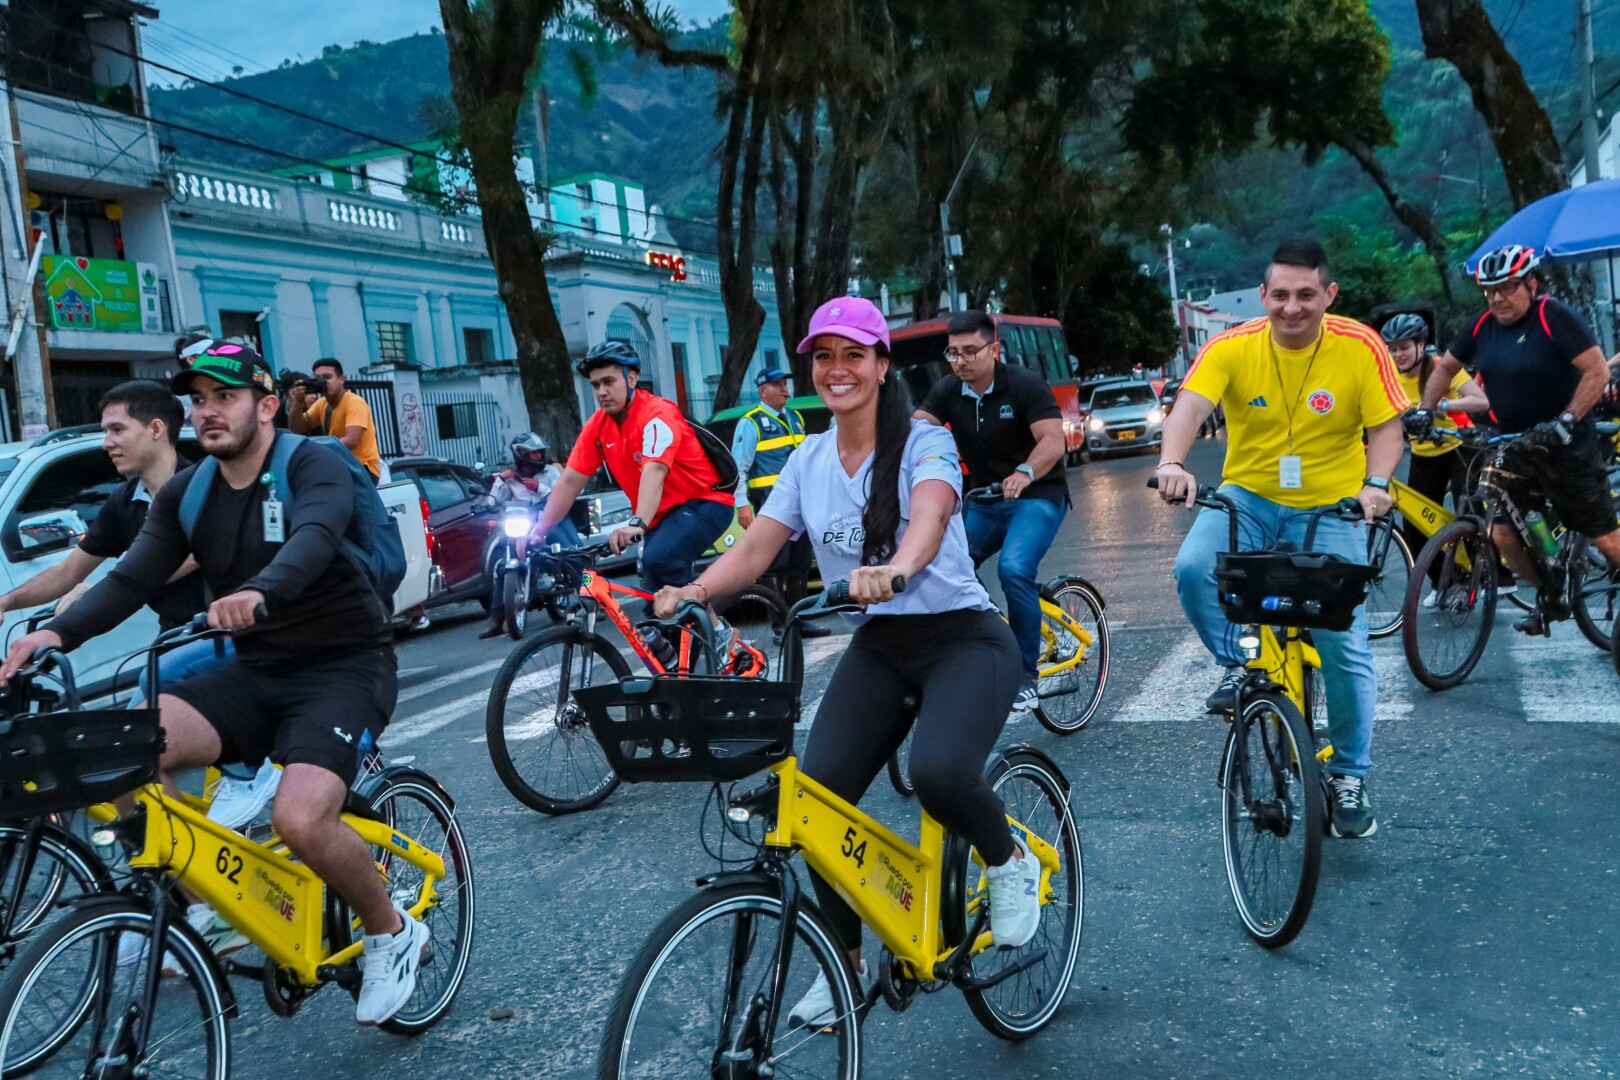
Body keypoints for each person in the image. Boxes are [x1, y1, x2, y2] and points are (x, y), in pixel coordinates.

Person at [0, 343, 425, 1026]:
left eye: (223, 397)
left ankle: (392, 933)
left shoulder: (311, 462)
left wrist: (261, 589)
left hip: (345, 667)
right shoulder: (186, 493)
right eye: (197, 399)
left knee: (299, 816)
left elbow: (314, 537)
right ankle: (209, 913)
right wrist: (53, 634)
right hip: (254, 670)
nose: (207, 411)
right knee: (119, 758)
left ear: (263, 405)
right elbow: (130, 578)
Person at [655, 295, 1043, 1028]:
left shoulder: (922, 442)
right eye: (823, 357)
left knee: (938, 773)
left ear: (881, 364)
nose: (836, 370)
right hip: (881, 648)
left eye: (853, 355)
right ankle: (846, 962)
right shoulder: (807, 458)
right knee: (812, 804)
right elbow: (759, 547)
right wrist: (694, 590)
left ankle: (1008, 858)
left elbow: (929, 516)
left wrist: (895, 567)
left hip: (962, 637)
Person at [1154, 240, 1407, 840]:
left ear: (1328, 296)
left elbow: (1387, 429)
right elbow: (1189, 408)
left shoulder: (1358, 345)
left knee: (1343, 643)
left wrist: (1375, 485)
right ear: (1263, 295)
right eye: (1280, 295)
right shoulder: (1233, 346)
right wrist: (1173, 463)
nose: (1292, 308)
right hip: (1248, 497)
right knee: (1193, 569)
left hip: (1335, 504)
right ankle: (1237, 665)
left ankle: (1349, 775)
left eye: (1306, 295)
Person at [1410, 244, 1620, 636]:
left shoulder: (1552, 316)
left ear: (1531, 284)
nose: (1497, 298)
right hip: (1514, 443)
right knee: (1501, 531)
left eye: (1506, 288)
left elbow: (1596, 372)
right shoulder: (1481, 325)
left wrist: (1567, 419)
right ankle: (1549, 591)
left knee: (1604, 536)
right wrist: (1425, 408)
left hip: (1566, 444)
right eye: (1489, 290)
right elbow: (1445, 368)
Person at [915, 310, 1069, 712]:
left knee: (1014, 570)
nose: (960, 361)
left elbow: (1054, 441)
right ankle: (987, 638)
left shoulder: (1023, 384)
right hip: (985, 499)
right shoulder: (948, 390)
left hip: (1037, 496)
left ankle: (1026, 675)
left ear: (993, 349)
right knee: (943, 567)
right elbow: (916, 430)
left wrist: (1025, 472)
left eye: (969, 351)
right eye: (953, 353)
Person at [529, 340, 734, 595]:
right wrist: (538, 532)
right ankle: (681, 630)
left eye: (608, 381)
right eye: (595, 385)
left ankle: (716, 628)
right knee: (653, 604)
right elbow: (570, 480)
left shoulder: (658, 414)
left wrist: (637, 523)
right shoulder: (598, 426)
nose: (601, 391)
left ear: (632, 379)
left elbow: (654, 471)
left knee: (660, 559)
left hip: (704, 503)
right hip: (660, 517)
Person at [1380, 313, 1490, 608]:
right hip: (1423, 453)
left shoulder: (1442, 369)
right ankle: (1446, 581)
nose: (1397, 354)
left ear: (1421, 345)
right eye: (1392, 348)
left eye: (1404, 347)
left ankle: (1489, 576)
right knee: (1414, 524)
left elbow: (1480, 401)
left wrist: (1441, 404)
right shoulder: (1388, 377)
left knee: (1468, 509)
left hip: (1459, 446)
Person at [731, 368, 824, 633]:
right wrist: (742, 504)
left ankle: (798, 620)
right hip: (771, 503)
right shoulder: (751, 422)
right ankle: (780, 625)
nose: (784, 388)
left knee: (800, 562)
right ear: (762, 391)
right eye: (777, 385)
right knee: (774, 564)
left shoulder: (794, 418)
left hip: (802, 502)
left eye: (785, 383)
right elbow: (738, 468)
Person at [478, 431, 582, 638]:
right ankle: (497, 619)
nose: (539, 457)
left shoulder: (551, 474)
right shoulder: (510, 478)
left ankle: (588, 602)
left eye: (540, 453)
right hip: (524, 526)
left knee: (574, 554)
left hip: (552, 521)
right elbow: (492, 502)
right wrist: (500, 480)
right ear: (522, 455)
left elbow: (563, 496)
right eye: (534, 454)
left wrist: (539, 487)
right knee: (502, 565)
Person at [287, 357, 382, 482]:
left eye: (327, 377)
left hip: (362, 468)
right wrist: (298, 402)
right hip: (342, 465)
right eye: (318, 378)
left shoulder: (354, 402)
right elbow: (296, 429)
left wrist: (315, 448)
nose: (323, 382)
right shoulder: (322, 404)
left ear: (342, 379)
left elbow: (352, 441)